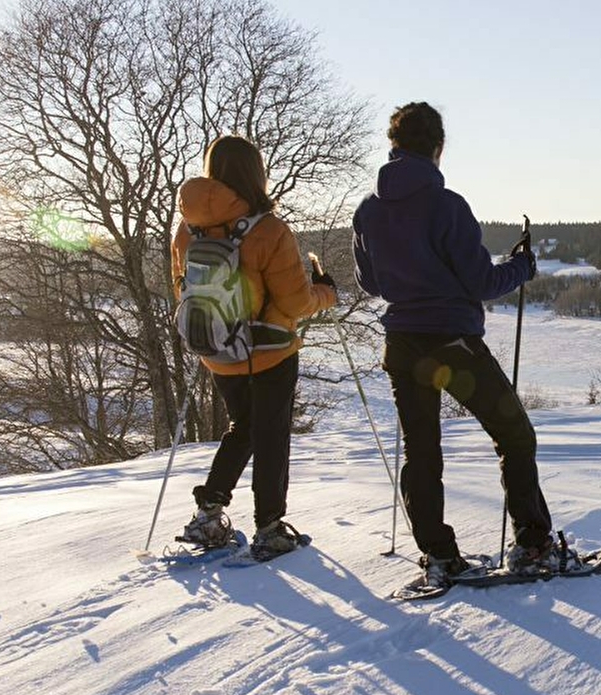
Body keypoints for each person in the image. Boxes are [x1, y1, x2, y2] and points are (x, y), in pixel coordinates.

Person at [353, 101, 564, 583]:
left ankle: (439, 556)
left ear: (393, 147)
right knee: (514, 434)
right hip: (451, 345)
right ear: (438, 148)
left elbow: (371, 284)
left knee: (421, 450)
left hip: (402, 344)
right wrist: (523, 267)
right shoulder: (447, 206)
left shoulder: (368, 210)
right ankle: (532, 546)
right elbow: (481, 284)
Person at [173, 135, 337, 560]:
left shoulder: (186, 230)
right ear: (256, 173)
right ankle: (270, 527)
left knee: (242, 427)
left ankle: (209, 513)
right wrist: (326, 292)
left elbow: (181, 289)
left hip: (217, 350)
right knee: (270, 433)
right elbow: (296, 303)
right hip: (270, 351)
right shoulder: (268, 229)